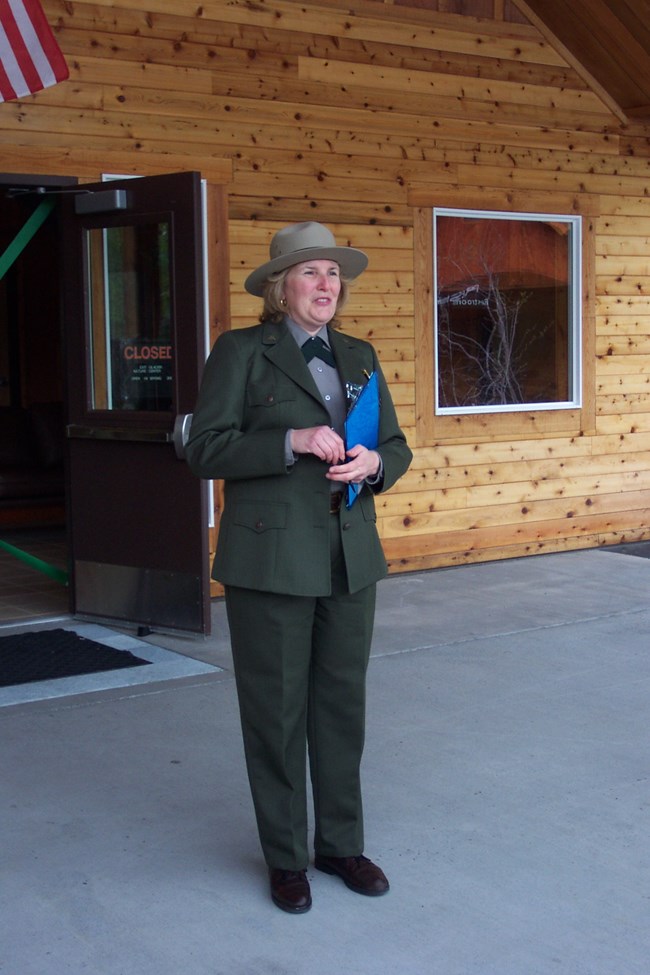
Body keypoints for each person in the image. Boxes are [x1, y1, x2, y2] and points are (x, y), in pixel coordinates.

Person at [186, 221, 412, 914]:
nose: (326, 285)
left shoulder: (359, 354)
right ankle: (286, 857)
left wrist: (375, 464)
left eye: (333, 274)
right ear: (280, 287)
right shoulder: (241, 352)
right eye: (311, 273)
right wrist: (290, 439)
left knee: (342, 709)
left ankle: (340, 843)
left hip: (350, 558)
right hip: (272, 561)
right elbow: (206, 448)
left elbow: (395, 447)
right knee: (276, 713)